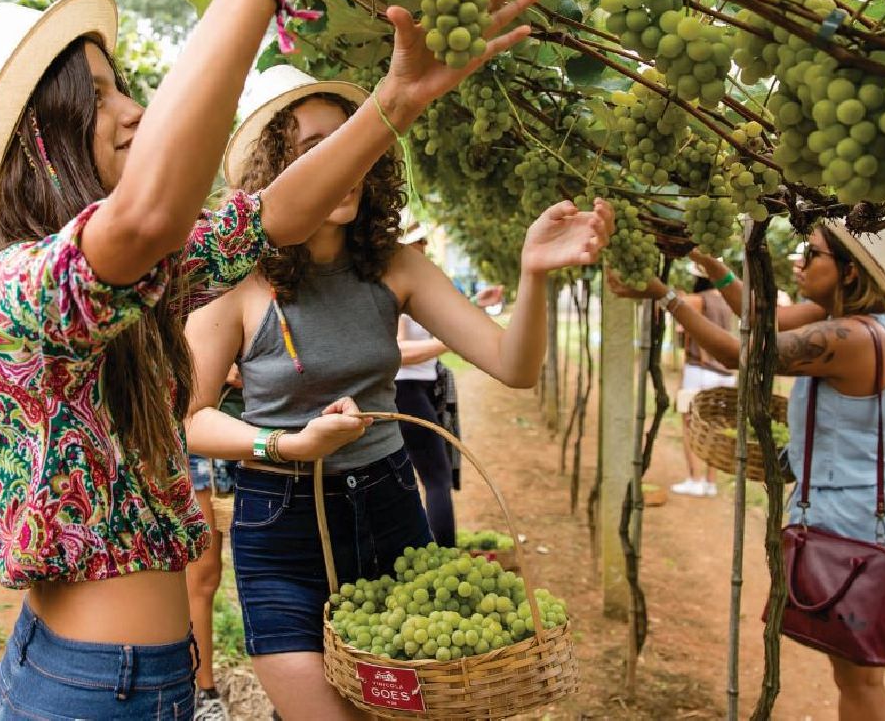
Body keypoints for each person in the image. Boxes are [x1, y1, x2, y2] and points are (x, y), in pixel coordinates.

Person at [0, 0, 537, 718]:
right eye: (98, 96)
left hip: (130, 680)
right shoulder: (14, 294)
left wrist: (395, 102)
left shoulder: (115, 288)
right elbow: (150, 215)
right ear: (38, 136)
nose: (133, 110)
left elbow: (269, 219)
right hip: (87, 692)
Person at [184, 64, 613, 721]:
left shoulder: (394, 267)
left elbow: (512, 364)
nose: (342, 162)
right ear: (276, 170)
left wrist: (533, 275)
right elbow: (188, 419)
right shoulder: (240, 285)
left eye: (354, 141)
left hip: (389, 511)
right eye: (313, 148)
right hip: (283, 527)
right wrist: (284, 442)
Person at [609, 225, 885, 721]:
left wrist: (667, 296)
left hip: (864, 523)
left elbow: (745, 355)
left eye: (811, 252)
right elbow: (767, 318)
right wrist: (713, 266)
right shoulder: (875, 320)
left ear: (848, 270)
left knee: (858, 677)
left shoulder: (852, 337)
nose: (799, 261)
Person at [393, 221, 502, 545]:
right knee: (436, 479)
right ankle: (443, 556)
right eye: (417, 243)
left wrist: (475, 304)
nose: (423, 248)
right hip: (406, 392)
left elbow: (438, 320)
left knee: (421, 478)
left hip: (420, 390)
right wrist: (448, 343)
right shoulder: (397, 289)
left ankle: (426, 550)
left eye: (424, 242)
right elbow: (397, 352)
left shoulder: (416, 286)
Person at [186, 365, 243, 720]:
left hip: (270, 430)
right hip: (201, 441)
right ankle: (203, 689)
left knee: (275, 567)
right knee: (203, 573)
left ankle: (287, 692)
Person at [670, 269, 736, 498]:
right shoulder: (727, 302)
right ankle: (710, 483)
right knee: (715, 428)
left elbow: (674, 309)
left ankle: (694, 479)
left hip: (699, 371)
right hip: (725, 374)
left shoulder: (697, 300)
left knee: (689, 423)